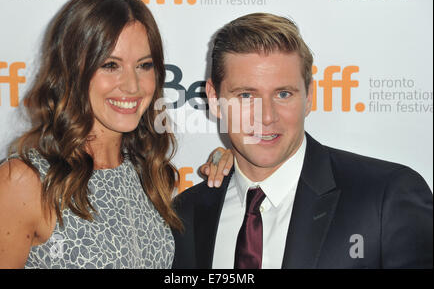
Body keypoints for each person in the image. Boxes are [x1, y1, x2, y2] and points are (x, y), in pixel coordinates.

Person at [0, 0, 229, 269]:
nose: (132, 86)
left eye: (144, 65)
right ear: (73, 70)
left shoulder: (146, 173)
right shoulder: (25, 182)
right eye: (110, 65)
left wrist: (236, 165)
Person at [172, 13, 433, 269]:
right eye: (246, 96)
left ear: (308, 97)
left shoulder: (384, 198)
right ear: (215, 99)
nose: (266, 117)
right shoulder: (187, 213)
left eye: (283, 94)